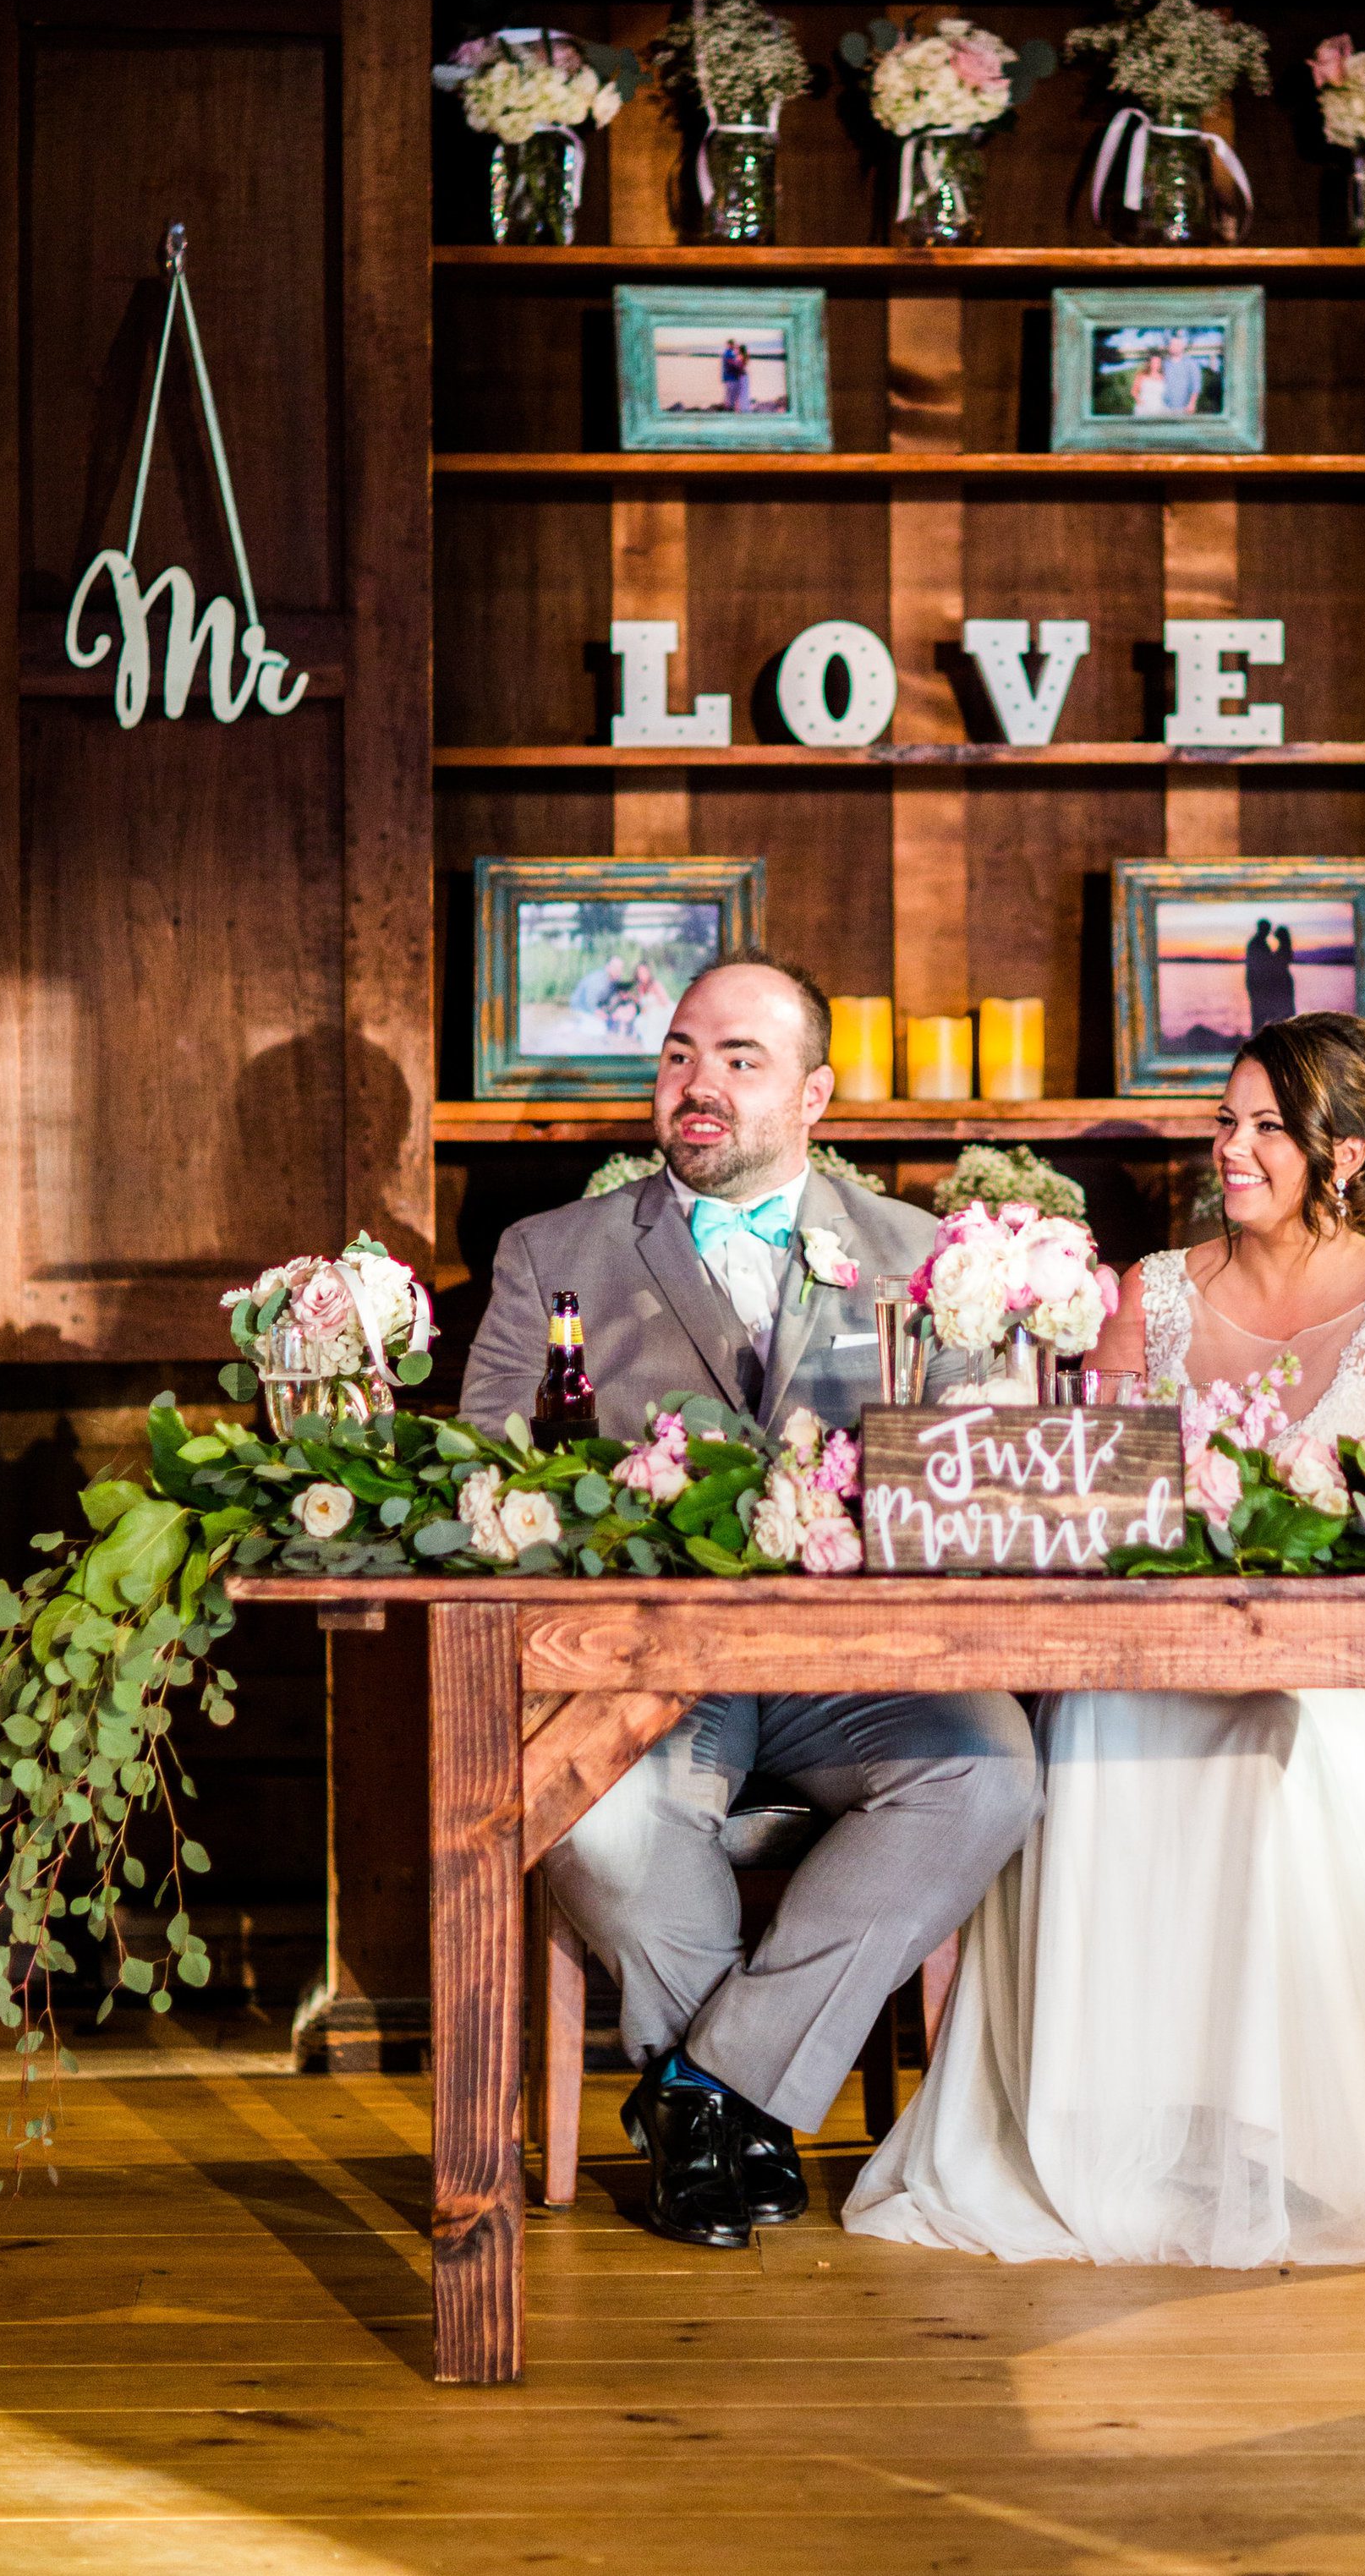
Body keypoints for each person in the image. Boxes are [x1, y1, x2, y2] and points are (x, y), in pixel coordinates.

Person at [844, 1010, 1365, 2272]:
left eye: (1268, 1126)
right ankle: (1117, 2121)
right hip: (1152, 1648)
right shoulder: (1150, 1292)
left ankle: (1296, 2130)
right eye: (1226, 1121)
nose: (1232, 1149)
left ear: (1348, 1153)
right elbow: (1090, 1490)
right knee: (1100, 1716)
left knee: (1288, 1740)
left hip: (1340, 1668)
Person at [460, 958, 1038, 2255]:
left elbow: (971, 1472)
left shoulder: (923, 1255)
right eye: (678, 1054)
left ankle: (704, 2090)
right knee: (605, 1829)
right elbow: (483, 1468)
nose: (697, 1083)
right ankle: (742, 2110)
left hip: (864, 1666)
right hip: (644, 1672)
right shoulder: (553, 1251)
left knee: (992, 1770)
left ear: (817, 1093)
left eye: (738, 1058)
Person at [1159, 327, 1205, 420]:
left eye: (1177, 344)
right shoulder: (1164, 363)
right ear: (1169, 347)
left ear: (1182, 346)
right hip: (1164, 408)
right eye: (1172, 344)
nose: (1175, 347)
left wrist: (1192, 404)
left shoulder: (1191, 363)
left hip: (1184, 409)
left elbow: (1196, 386)